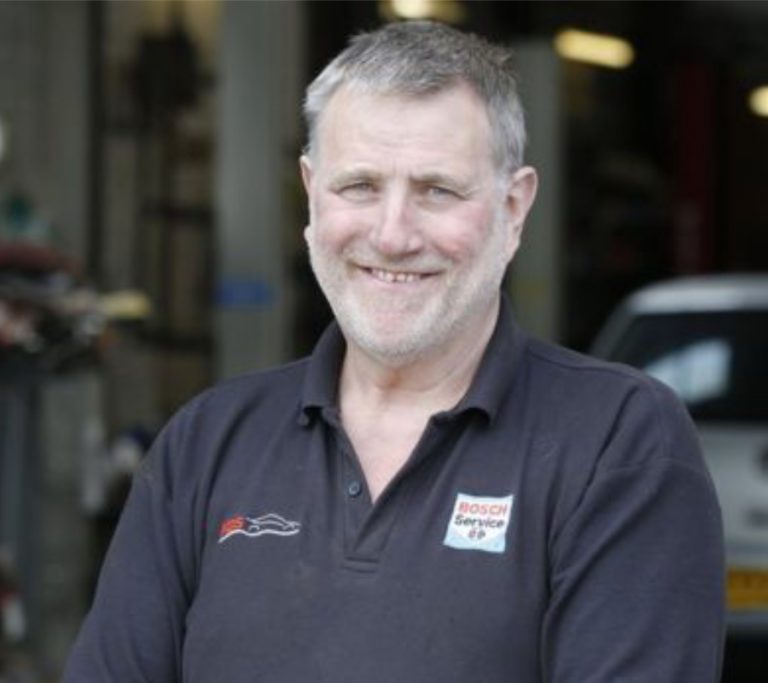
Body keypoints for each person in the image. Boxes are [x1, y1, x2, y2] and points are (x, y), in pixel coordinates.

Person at [63, 20, 725, 682]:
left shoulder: (618, 444)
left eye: (438, 190)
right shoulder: (206, 445)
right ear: (311, 195)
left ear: (514, 208)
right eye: (360, 186)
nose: (392, 235)